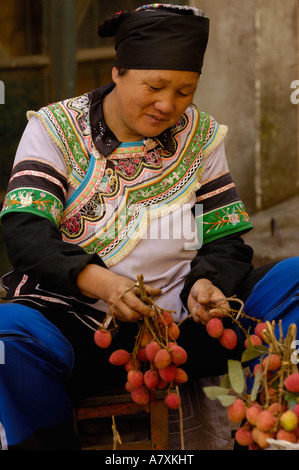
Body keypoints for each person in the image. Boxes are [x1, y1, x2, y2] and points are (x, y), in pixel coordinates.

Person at [0, 4, 298, 450]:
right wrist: (104, 285)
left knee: (293, 281)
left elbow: (225, 240)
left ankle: (268, 433)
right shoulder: (56, 130)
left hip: (182, 328)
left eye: (184, 91)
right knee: (10, 338)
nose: (168, 105)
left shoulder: (199, 135)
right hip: (85, 327)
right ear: (118, 71)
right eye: (155, 86)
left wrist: (207, 283)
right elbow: (26, 233)